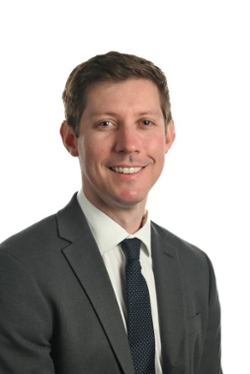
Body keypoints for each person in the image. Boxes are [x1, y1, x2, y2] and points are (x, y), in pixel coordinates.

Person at [0, 51, 222, 374]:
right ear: (71, 139)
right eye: (106, 124)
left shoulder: (197, 269)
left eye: (145, 123)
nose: (129, 144)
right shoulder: (20, 269)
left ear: (168, 136)